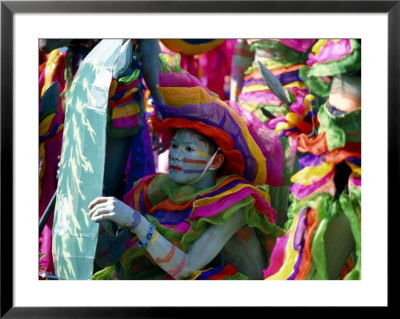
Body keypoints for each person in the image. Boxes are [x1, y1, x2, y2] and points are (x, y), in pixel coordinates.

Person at [88, 56, 285, 280]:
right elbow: (112, 258)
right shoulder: (157, 191)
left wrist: (135, 221)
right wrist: (91, 215)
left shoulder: (235, 203)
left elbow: (187, 267)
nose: (176, 155)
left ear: (216, 162)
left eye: (189, 149)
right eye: (175, 146)